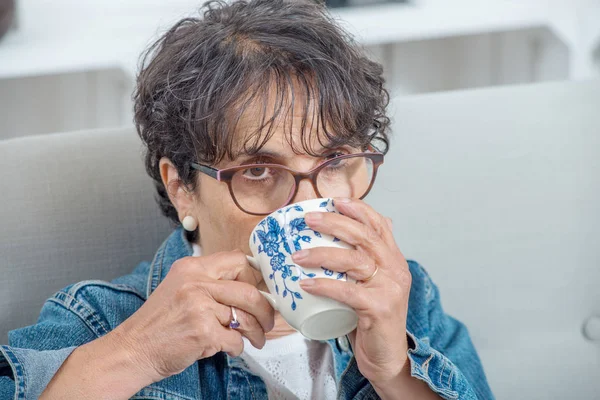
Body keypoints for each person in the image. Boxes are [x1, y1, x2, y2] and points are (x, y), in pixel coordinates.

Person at [0, 1, 494, 399]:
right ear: (181, 188)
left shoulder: (407, 301)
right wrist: (138, 354)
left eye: (335, 160)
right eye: (258, 171)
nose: (307, 201)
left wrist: (396, 375)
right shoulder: (100, 319)